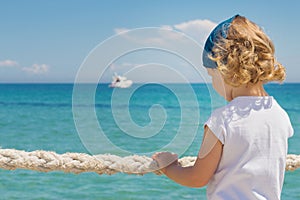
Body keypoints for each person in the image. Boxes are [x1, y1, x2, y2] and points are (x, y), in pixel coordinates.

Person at [152, 15, 294, 199]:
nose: (212, 82)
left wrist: (168, 166)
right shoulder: (280, 115)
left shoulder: (222, 119)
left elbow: (197, 178)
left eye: (211, 75)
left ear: (227, 71)